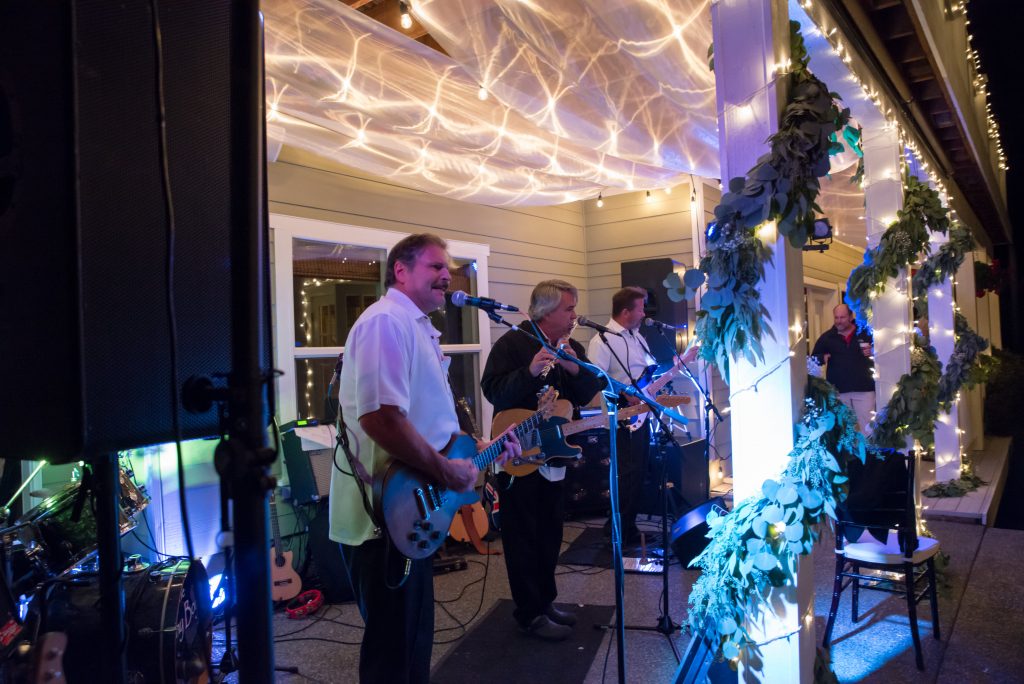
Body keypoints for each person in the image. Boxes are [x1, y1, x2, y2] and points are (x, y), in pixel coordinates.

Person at [329, 233, 520, 684]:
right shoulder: (385, 323)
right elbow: (381, 419)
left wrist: (487, 450)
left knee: (411, 644)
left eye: (448, 269)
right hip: (383, 514)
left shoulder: (417, 328)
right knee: (392, 652)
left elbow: (432, 428)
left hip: (412, 507)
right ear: (400, 269)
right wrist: (444, 471)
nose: (446, 276)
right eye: (435, 266)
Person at [481, 279, 603, 641]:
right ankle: (528, 613)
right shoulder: (513, 343)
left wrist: (576, 369)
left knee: (551, 533)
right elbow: (493, 390)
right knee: (523, 537)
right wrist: (529, 372)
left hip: (553, 452)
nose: (574, 316)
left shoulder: (570, 347)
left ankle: (545, 601)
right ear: (546, 312)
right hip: (518, 452)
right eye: (568, 309)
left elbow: (591, 392)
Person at [811, 303, 876, 433]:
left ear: (851, 317)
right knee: (843, 428)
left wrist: (873, 350)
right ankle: (848, 453)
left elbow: (882, 350)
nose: (839, 321)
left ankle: (871, 453)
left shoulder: (865, 333)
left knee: (868, 427)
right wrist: (822, 357)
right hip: (838, 390)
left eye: (842, 317)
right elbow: (813, 358)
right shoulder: (827, 337)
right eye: (836, 318)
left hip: (864, 388)